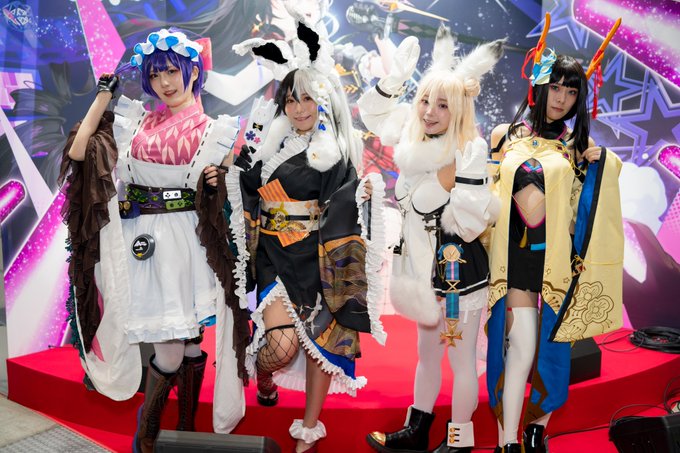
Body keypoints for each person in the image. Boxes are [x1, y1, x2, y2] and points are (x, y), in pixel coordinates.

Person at [59, 29, 250, 453]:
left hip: (185, 244)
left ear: (193, 71)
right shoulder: (134, 121)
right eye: (155, 74)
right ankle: (155, 431)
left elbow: (234, 198)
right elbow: (78, 153)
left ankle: (168, 428)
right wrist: (103, 97)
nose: (165, 82)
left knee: (184, 342)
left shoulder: (217, 131)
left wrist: (218, 182)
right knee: (174, 345)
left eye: (172, 71)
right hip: (138, 240)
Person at [229, 14, 388, 453]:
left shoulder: (335, 151)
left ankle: (309, 427)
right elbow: (244, 185)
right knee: (280, 348)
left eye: (307, 99)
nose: (299, 108)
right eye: (291, 100)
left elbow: (342, 201)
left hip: (315, 257)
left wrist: (360, 193)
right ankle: (264, 373)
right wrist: (242, 175)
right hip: (274, 256)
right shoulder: (270, 145)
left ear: (323, 100)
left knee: (322, 339)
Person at [359, 27, 504, 453]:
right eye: (425, 100)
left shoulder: (468, 152)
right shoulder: (413, 141)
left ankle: (459, 441)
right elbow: (372, 116)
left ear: (458, 110)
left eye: (442, 105)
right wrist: (394, 81)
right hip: (423, 276)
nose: (429, 111)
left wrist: (453, 183)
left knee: (460, 360)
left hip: (458, 277)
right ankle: (417, 430)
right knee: (426, 355)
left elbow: (473, 223)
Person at [486, 16, 624, 453]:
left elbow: (584, 209)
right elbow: (485, 197)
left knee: (551, 353)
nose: (562, 98)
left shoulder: (576, 147)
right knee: (520, 348)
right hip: (511, 260)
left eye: (571, 91)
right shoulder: (505, 136)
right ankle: (508, 441)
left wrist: (602, 164)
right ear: (540, 86)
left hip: (552, 264)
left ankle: (534, 429)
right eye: (556, 87)